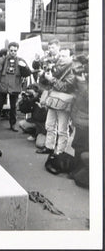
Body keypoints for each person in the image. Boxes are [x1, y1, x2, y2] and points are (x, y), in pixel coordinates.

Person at [37, 48, 75, 156]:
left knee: (62, 129)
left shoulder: (72, 70)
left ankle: (60, 152)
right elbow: (44, 84)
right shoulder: (56, 67)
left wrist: (51, 79)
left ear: (70, 57)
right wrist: (45, 75)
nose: (61, 59)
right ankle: (49, 147)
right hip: (54, 99)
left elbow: (65, 87)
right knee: (49, 125)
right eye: (60, 56)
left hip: (64, 101)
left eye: (64, 56)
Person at [0, 42, 32, 131]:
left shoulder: (21, 60)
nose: (13, 52)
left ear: (17, 50)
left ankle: (13, 125)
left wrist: (24, 67)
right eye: (11, 50)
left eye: (15, 50)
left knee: (13, 107)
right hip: (3, 86)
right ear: (8, 50)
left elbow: (27, 73)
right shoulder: (3, 60)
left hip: (15, 87)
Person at [69, 54, 89, 188]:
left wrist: (82, 83)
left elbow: (91, 98)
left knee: (80, 146)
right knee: (78, 144)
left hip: (86, 119)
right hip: (80, 116)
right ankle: (77, 171)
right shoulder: (84, 74)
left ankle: (80, 172)